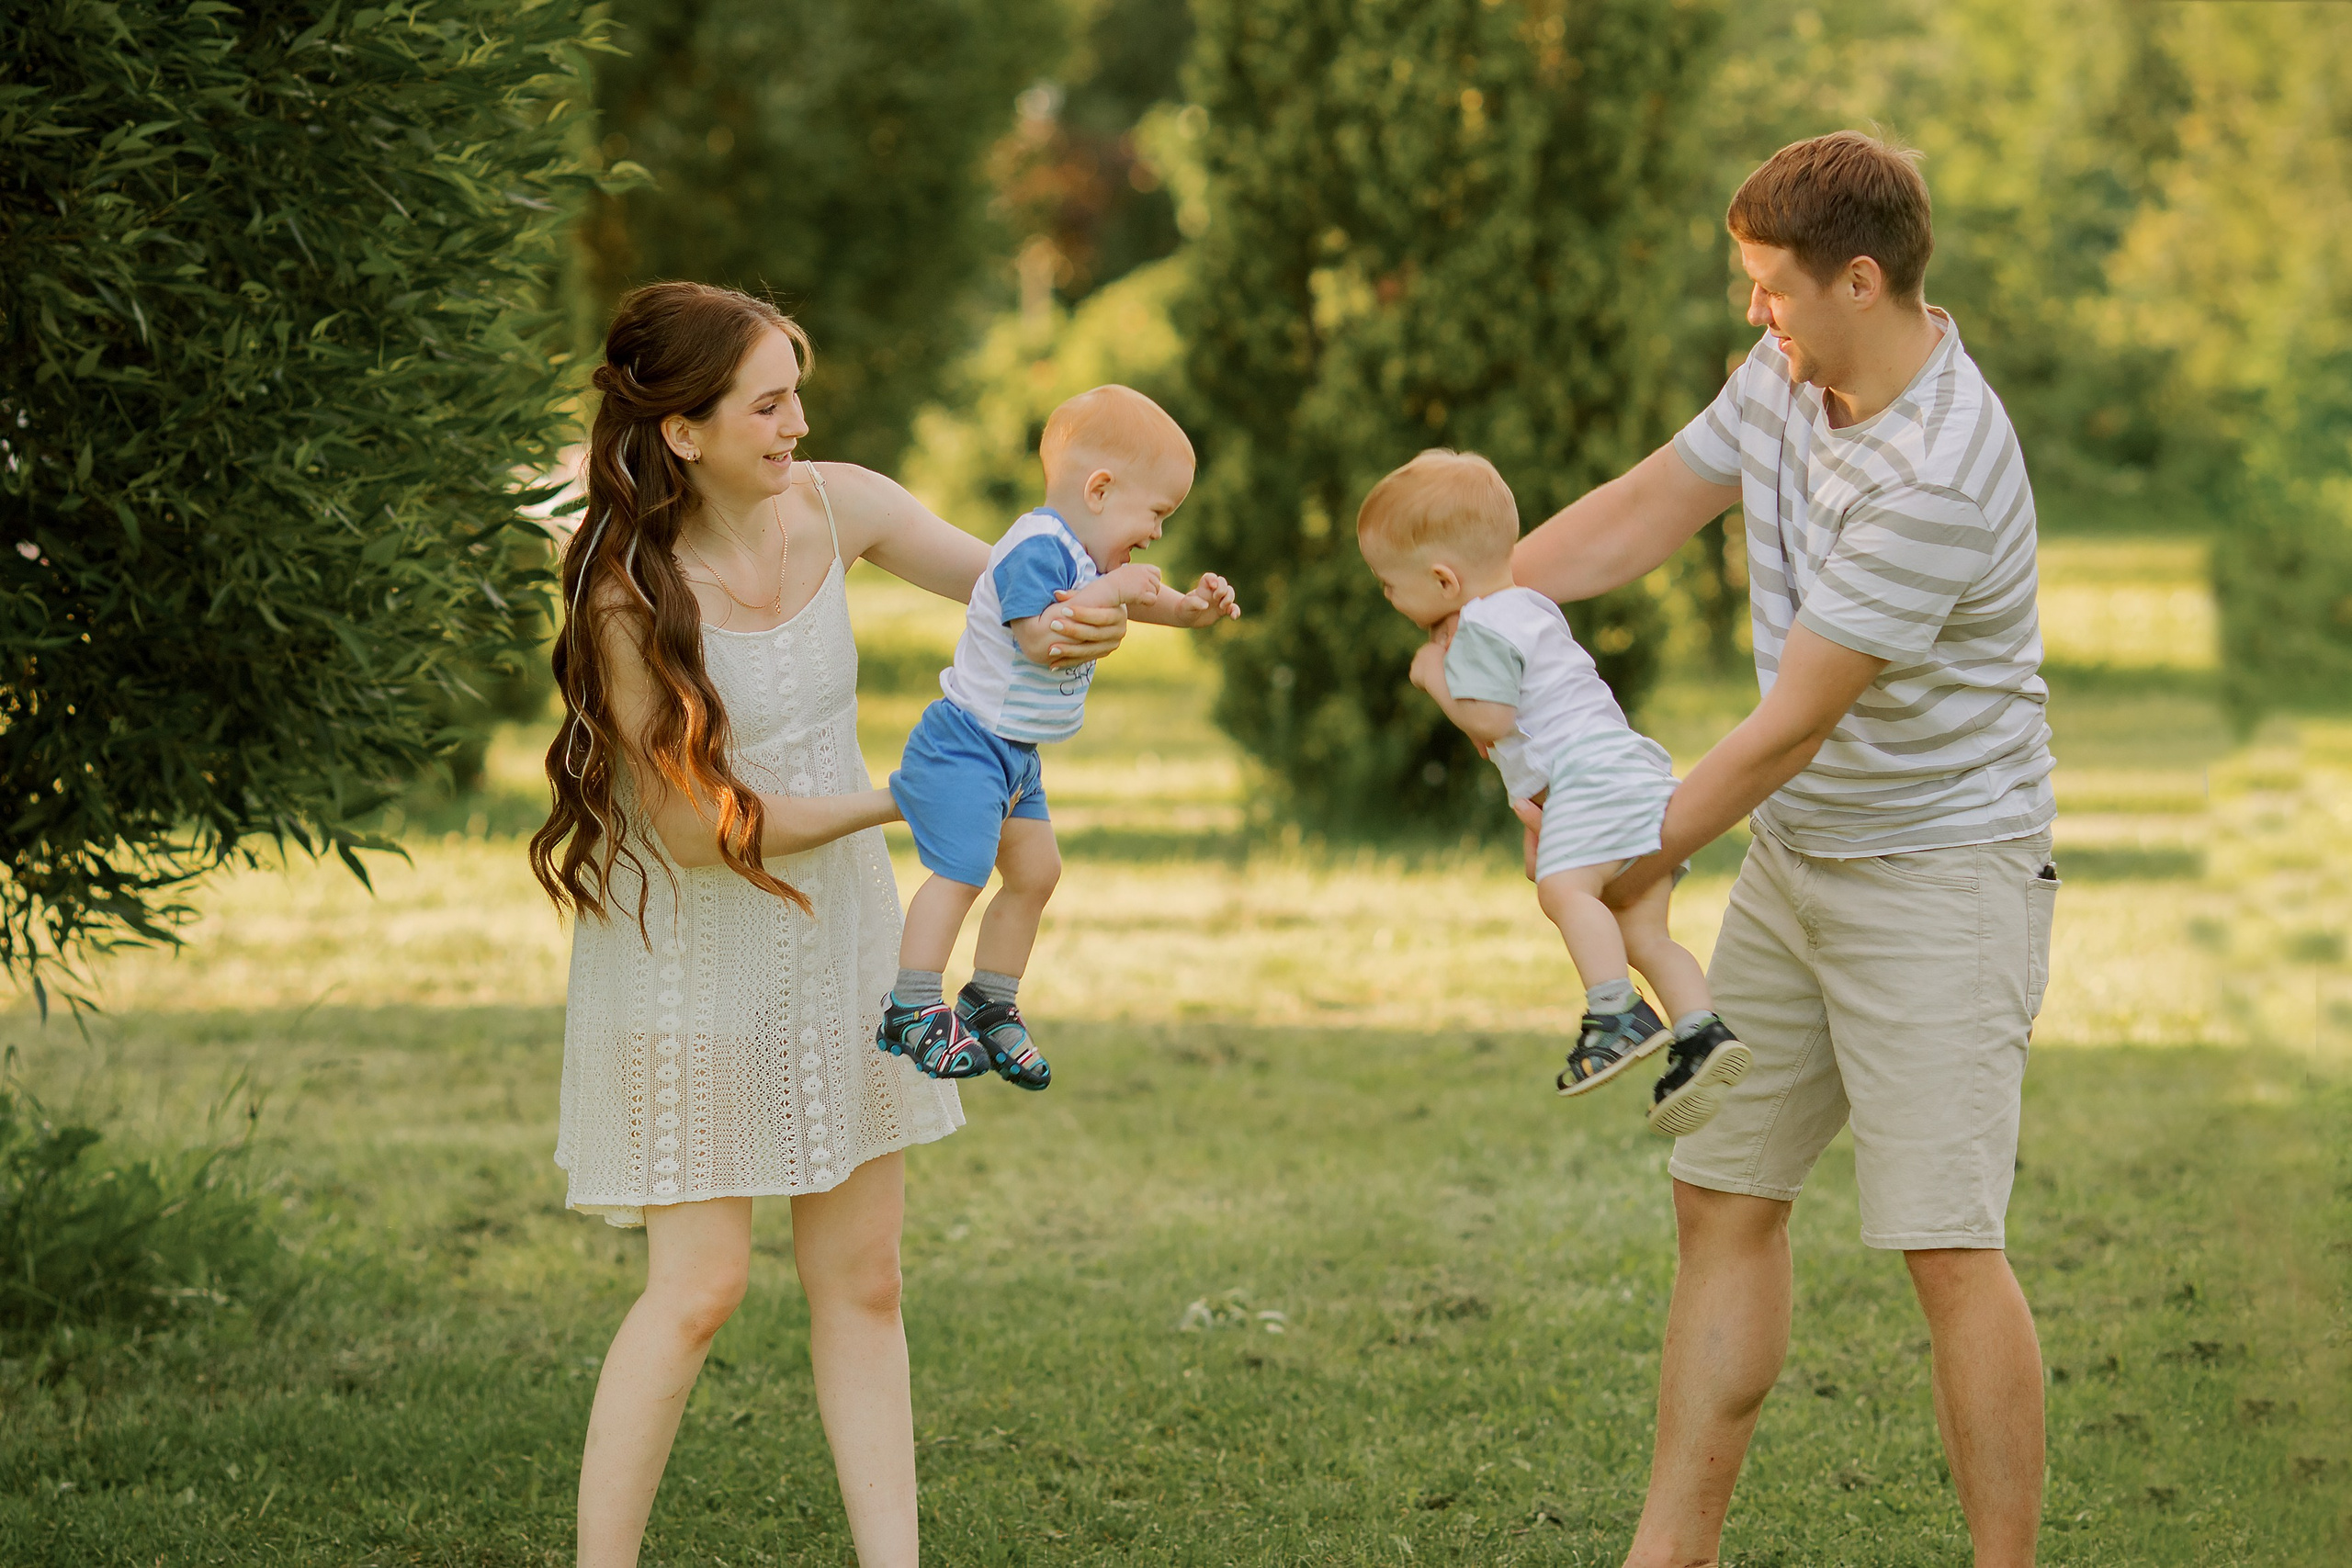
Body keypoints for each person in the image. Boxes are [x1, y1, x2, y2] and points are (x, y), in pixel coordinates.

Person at [1512, 132, 2060, 1567]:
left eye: (1771, 286)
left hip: (1943, 872)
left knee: (1946, 1243)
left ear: (1859, 279)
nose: (1753, 309)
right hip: (1805, 862)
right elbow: (1645, 508)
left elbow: (1784, 731)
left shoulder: (1936, 467)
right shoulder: (1786, 374)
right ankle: (1667, 1554)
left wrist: (1627, 862)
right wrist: (1477, 608)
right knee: (1722, 1194)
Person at [528, 281, 1129, 1568]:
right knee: (698, 1289)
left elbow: (1013, 590)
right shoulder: (627, 589)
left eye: (797, 388)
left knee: (866, 1278)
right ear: (683, 430)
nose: (799, 419)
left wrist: (1089, 612)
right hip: (689, 948)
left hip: (845, 933)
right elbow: (696, 828)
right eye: (769, 400)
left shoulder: (841, 503)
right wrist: (897, 797)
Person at [1356, 448, 1748, 1132]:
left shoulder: (1476, 628)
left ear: (1443, 579)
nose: (1387, 599)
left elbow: (1491, 719)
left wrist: (1433, 676)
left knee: (1562, 891)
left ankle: (1615, 1013)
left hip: (1589, 775)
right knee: (1640, 928)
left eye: (1390, 585)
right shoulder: (1529, 605)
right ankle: (1701, 1033)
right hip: (1631, 770)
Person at [876, 385, 1239, 1087]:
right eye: (1157, 512)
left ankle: (990, 999)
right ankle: (912, 1004)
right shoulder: (1035, 546)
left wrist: (1192, 610)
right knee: (961, 872)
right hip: (965, 743)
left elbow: (1138, 591)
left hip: (1015, 755)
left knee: (1038, 873)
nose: (1159, 532)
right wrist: (1116, 592)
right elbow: (1042, 638)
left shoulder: (1086, 553)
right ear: (1099, 488)